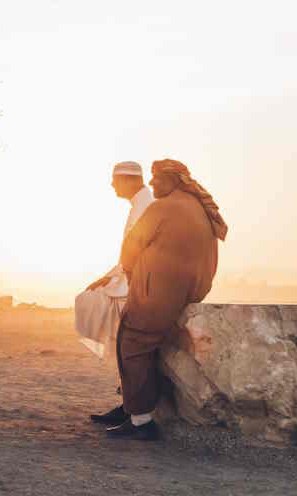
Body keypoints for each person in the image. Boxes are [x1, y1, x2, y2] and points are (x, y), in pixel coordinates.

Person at [100, 159, 226, 441]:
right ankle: (134, 412)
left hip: (159, 294)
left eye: (157, 178)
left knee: (131, 344)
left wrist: (134, 275)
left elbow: (130, 248)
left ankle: (141, 421)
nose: (153, 182)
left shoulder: (163, 207)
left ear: (173, 180)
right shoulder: (195, 207)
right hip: (188, 291)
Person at [76, 162, 155, 375]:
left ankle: (130, 405)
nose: (112, 184)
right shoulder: (139, 205)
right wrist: (108, 277)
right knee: (87, 299)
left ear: (129, 180)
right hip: (127, 278)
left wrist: (113, 279)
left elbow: (139, 254)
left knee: (91, 303)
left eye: (115, 180)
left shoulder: (145, 207)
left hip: (137, 285)